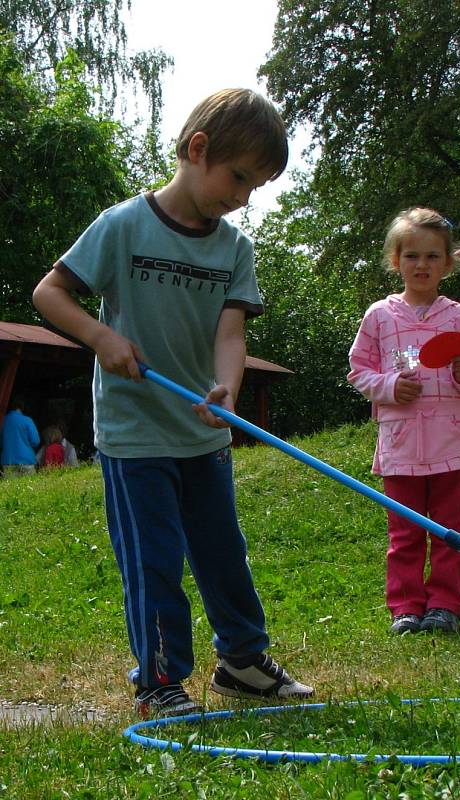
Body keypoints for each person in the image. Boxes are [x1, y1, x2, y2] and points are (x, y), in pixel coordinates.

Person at [32, 88, 314, 716]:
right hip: (135, 436)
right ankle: (160, 680)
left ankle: (242, 660)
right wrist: (102, 337)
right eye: (238, 177)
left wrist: (227, 391)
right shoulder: (123, 225)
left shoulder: (233, 248)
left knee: (222, 553)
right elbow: (49, 293)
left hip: (202, 434)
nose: (242, 197)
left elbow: (231, 333)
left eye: (256, 187)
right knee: (154, 560)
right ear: (197, 149)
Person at [348, 207, 460, 636]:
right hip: (401, 446)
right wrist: (389, 386)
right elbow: (358, 371)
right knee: (405, 533)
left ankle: (445, 605)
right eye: (412, 256)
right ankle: (406, 607)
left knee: (450, 531)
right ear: (396, 260)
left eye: (432, 256)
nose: (421, 265)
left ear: (448, 262)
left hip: (452, 445)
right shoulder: (380, 316)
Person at [0, 398, 40, 477]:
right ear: (22, 408)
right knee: (30, 488)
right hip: (27, 460)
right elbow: (36, 441)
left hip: (8, 461)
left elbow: (1, 443)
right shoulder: (27, 420)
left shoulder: (3, 420)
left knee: (11, 489)